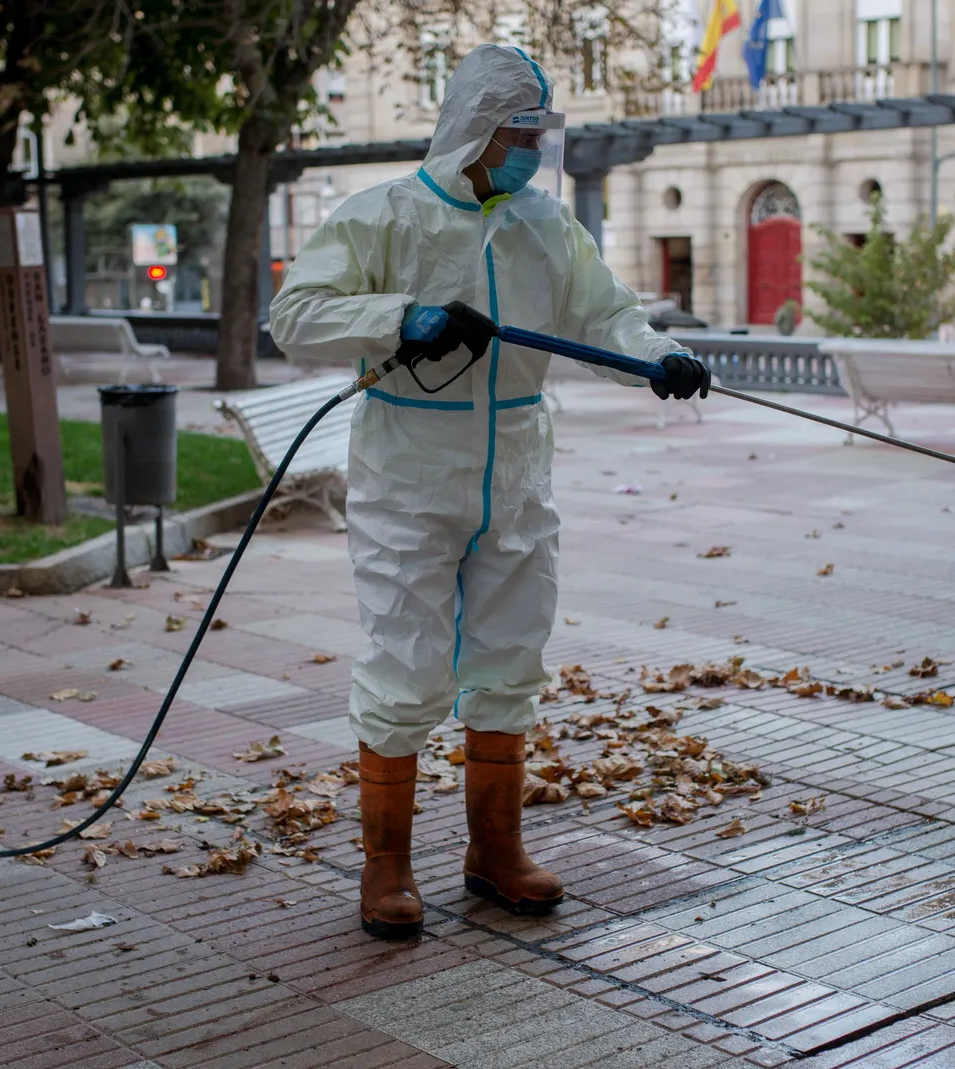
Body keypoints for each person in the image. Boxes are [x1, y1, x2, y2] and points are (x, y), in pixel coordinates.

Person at [270, 44, 708, 940]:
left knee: (511, 660)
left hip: (515, 466)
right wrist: (402, 318)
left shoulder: (545, 227)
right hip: (409, 472)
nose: (529, 151)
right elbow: (297, 314)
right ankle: (386, 867)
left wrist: (656, 356)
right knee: (405, 664)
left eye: (537, 134)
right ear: (474, 126)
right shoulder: (384, 216)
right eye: (516, 132)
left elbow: (606, 311)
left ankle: (493, 850)